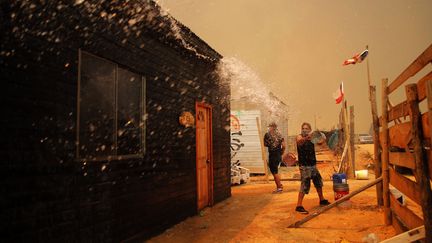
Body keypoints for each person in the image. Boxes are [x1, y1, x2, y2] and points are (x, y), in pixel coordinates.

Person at [295, 122, 330, 214]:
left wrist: (323, 137)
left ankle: (321, 199)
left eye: (307, 128)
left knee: (318, 182)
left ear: (310, 130)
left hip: (313, 165)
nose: (305, 130)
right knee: (304, 185)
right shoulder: (299, 137)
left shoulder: (312, 138)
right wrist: (307, 137)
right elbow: (299, 142)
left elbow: (320, 143)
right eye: (303, 128)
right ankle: (299, 206)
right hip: (304, 166)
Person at [263, 122, 285, 193]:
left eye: (270, 127)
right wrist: (281, 152)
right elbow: (284, 145)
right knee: (275, 171)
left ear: (272, 127)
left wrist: (270, 144)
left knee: (274, 172)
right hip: (278, 154)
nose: (269, 128)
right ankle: (279, 185)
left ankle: (279, 187)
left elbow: (265, 144)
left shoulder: (267, 134)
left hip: (272, 155)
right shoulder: (279, 134)